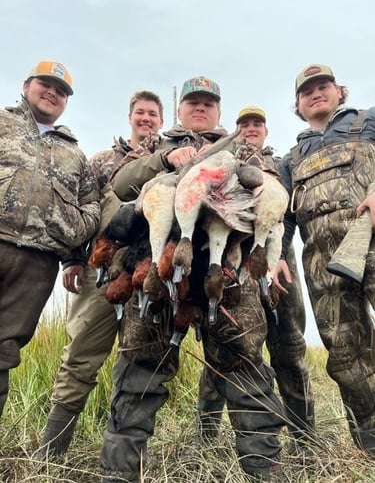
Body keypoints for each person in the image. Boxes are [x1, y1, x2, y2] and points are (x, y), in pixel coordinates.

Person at [100, 77, 285, 482]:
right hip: (159, 274)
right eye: (192, 102)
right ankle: (119, 474)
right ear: (180, 108)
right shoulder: (155, 145)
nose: (200, 109)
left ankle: (264, 472)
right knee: (139, 372)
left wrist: (240, 171)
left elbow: (273, 196)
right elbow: (120, 184)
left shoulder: (244, 148)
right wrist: (167, 162)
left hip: (230, 277)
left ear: (219, 110)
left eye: (208, 103)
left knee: (246, 370)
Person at [39, 91, 164, 456]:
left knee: (138, 361)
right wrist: (73, 260)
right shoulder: (102, 161)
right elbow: (83, 210)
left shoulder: (173, 160)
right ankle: (51, 453)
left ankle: (121, 457)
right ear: (129, 116)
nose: (146, 118)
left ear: (161, 119)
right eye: (140, 112)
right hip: (100, 273)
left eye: (153, 114)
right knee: (80, 356)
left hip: (145, 277)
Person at [199, 106, 316, 452]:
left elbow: (292, 214)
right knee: (224, 350)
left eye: (257, 123)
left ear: (265, 130)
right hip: (235, 264)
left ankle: (305, 442)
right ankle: (205, 443)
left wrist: (278, 258)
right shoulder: (225, 158)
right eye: (244, 123)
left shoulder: (282, 165)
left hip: (278, 262)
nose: (251, 128)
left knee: (288, 349)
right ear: (236, 129)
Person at [273, 63, 375, 454]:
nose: (316, 93)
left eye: (323, 86)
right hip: (322, 262)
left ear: (339, 92)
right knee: (347, 356)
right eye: (306, 91)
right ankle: (369, 445)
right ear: (298, 106)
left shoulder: (367, 122)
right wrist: (279, 256)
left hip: (372, 241)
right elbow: (282, 215)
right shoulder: (292, 159)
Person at [0, 60, 100, 420]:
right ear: (27, 85)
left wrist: (73, 246)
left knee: (5, 349)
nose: (53, 93)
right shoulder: (2, 123)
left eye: (61, 91)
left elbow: (90, 203)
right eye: (46, 85)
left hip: (37, 264)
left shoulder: (74, 152)